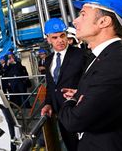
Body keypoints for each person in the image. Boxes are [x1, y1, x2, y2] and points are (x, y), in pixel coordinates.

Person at [59, 0, 122, 150]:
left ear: (104, 21)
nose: (75, 21)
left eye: (83, 14)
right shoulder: (103, 57)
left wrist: (70, 101)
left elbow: (74, 121)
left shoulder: (118, 64)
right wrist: (83, 96)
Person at [40, 18, 86, 151]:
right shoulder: (48, 60)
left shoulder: (81, 55)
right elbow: (51, 86)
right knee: (70, 145)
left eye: (62, 36)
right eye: (55, 37)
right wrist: (48, 103)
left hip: (79, 111)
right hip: (60, 114)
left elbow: (90, 82)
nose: (60, 40)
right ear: (48, 39)